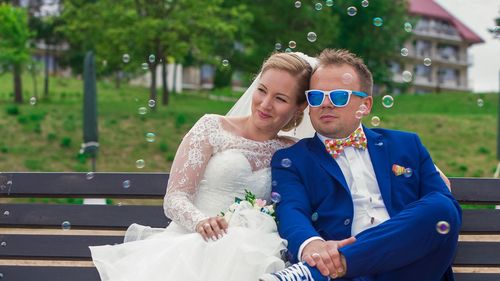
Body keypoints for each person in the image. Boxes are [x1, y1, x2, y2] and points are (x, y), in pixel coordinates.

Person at [89, 51, 315, 281]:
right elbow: (175, 198)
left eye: (280, 98)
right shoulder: (212, 128)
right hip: (194, 245)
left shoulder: (293, 151)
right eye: (262, 90)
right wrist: (201, 222)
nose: (265, 104)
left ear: (299, 108)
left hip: (254, 255)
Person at [261, 49, 461, 281]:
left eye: (338, 96)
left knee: (443, 206)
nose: (325, 104)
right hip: (346, 278)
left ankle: (317, 272)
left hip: (408, 269)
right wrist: (311, 245)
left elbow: (442, 210)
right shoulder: (293, 159)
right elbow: (291, 210)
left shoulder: (407, 145)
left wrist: (337, 262)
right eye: (316, 97)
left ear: (365, 105)